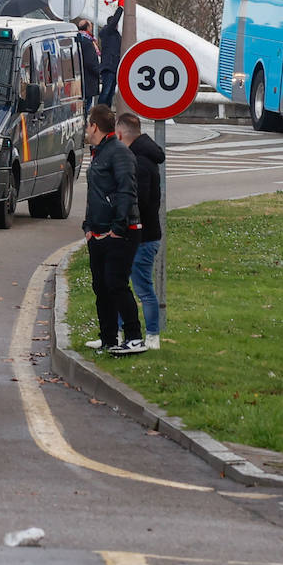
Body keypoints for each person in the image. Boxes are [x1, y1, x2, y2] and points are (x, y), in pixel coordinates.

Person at [81, 103, 145, 355]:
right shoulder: (99, 152)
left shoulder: (118, 152)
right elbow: (94, 194)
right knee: (101, 287)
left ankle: (134, 336)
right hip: (98, 232)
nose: (86, 129)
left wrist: (118, 228)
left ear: (94, 126)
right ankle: (108, 337)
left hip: (121, 231)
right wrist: (88, 226)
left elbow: (126, 190)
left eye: (88, 124)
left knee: (116, 283)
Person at [116, 111, 164, 350]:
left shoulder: (140, 162)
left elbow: (141, 201)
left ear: (121, 133)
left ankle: (153, 335)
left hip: (143, 237)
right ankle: (120, 332)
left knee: (143, 287)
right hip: (138, 235)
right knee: (121, 285)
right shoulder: (142, 157)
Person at [97, 0, 124, 106]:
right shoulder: (108, 32)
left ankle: (105, 110)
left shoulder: (113, 35)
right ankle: (101, 110)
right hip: (109, 66)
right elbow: (114, 21)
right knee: (106, 91)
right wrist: (120, 8)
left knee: (110, 92)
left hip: (113, 67)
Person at [75, 19, 101, 106]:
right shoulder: (87, 41)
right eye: (91, 26)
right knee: (86, 105)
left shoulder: (77, 38)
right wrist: (98, 73)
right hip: (88, 79)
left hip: (81, 79)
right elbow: (91, 62)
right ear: (87, 28)